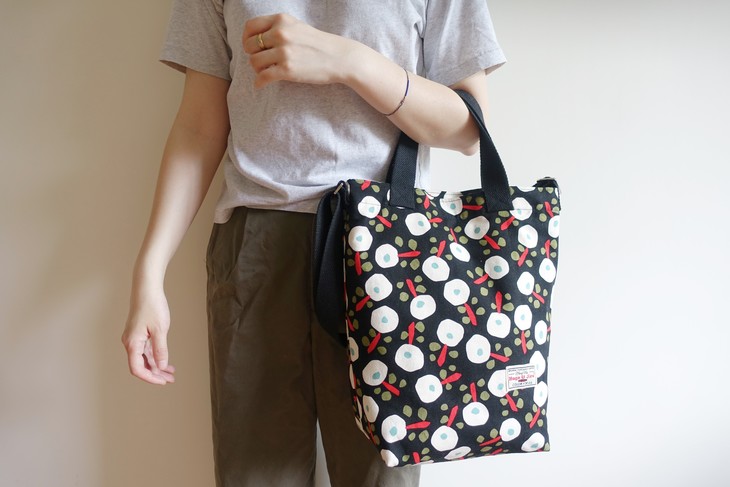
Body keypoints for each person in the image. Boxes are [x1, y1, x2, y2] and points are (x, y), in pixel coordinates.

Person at [121, 1, 506, 485]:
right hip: (256, 246)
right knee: (254, 475)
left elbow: (468, 127)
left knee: (381, 475)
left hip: (388, 249)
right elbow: (199, 125)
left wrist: (350, 61)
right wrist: (149, 274)